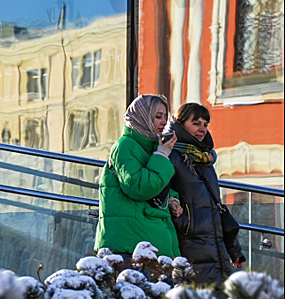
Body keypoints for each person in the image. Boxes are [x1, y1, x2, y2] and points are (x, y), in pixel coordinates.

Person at [163, 103, 245, 285]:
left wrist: (234, 250)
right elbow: (163, 191)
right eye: (196, 123)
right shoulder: (170, 154)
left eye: (205, 124)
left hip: (213, 242)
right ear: (180, 123)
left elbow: (216, 206)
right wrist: (181, 218)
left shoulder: (204, 158)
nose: (202, 129)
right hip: (188, 242)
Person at [95, 94, 181, 261]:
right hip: (130, 246)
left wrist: (171, 199)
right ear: (142, 117)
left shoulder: (151, 147)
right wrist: (162, 155)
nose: (164, 122)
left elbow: (157, 185)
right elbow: (139, 187)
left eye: (165, 116)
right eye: (157, 117)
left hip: (147, 241)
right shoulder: (125, 145)